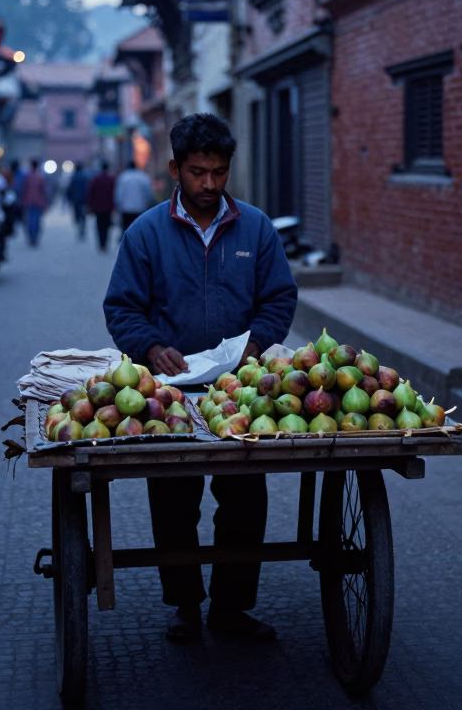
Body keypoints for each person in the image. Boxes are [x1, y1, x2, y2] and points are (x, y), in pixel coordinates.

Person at [103, 113, 298, 643]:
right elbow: (122, 307)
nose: (209, 184)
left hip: (242, 390)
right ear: (173, 170)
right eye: (197, 173)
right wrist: (150, 346)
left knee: (244, 497)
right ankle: (185, 604)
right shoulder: (145, 233)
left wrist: (256, 344)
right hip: (168, 392)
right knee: (173, 498)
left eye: (218, 172)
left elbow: (280, 297)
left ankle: (232, 607)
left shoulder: (255, 228)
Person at [114, 160, 154, 235]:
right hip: (140, 208)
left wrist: (118, 205)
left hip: (126, 209)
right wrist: (148, 203)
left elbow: (119, 194)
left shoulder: (123, 177)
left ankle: (127, 244)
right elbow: (148, 193)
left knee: (126, 229)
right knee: (138, 230)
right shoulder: (143, 177)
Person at [86, 161, 117, 252]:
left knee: (99, 225)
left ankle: (101, 243)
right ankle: (105, 243)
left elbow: (91, 193)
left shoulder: (96, 179)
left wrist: (90, 205)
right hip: (108, 206)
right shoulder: (111, 179)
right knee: (107, 225)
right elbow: (114, 192)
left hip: (98, 206)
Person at [22, 158, 48, 247]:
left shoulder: (27, 176)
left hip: (29, 201)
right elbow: (44, 191)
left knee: (30, 220)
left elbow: (23, 189)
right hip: (38, 201)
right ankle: (35, 237)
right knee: (36, 221)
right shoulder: (40, 177)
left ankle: (31, 237)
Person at [65, 162, 89, 239]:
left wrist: (69, 198)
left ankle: (79, 228)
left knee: (77, 215)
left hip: (75, 200)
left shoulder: (73, 177)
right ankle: (82, 228)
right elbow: (88, 189)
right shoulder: (84, 177)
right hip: (83, 200)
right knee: (83, 215)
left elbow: (69, 189)